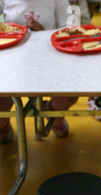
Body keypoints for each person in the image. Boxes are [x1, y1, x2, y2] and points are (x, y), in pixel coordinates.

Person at [0, 0, 77, 142]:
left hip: (50, 61)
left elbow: (71, 33)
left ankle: (54, 115)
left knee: (69, 96)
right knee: (2, 105)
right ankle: (3, 125)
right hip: (11, 62)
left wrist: (45, 35)